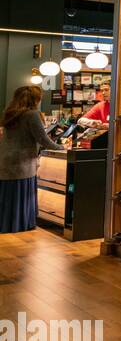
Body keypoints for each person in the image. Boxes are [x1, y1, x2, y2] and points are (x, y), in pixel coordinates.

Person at [0, 86, 62, 233]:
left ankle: (7, 224)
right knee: (21, 195)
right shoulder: (32, 114)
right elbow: (42, 138)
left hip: (6, 159)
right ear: (35, 99)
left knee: (8, 196)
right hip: (23, 162)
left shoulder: (10, 113)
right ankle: (20, 224)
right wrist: (60, 148)